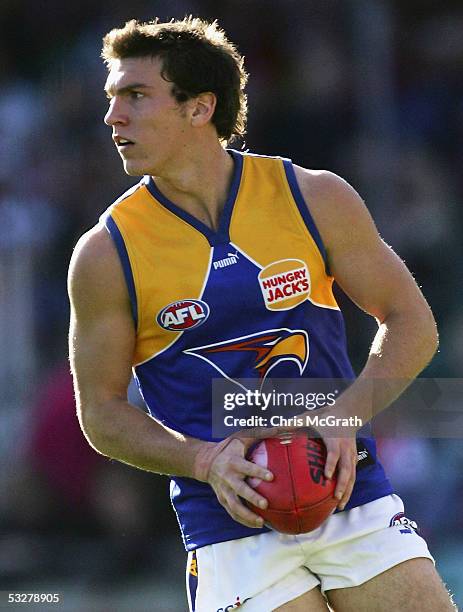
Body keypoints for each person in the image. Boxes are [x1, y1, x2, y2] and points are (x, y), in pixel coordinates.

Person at [67, 17, 454, 611]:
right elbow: (101, 414)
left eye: (135, 96)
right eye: (111, 97)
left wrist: (347, 415)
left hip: (350, 493)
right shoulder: (104, 254)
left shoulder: (314, 196)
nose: (112, 116)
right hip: (228, 526)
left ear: (199, 108)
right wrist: (203, 459)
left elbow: (411, 322)